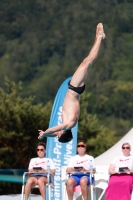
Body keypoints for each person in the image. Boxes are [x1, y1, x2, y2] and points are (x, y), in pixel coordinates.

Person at [38, 23, 106, 143]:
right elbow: (54, 129)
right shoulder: (69, 124)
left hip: (75, 90)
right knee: (87, 62)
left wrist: (47, 135)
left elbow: (54, 133)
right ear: (63, 133)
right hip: (74, 89)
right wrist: (44, 134)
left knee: (88, 62)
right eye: (59, 135)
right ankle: (99, 37)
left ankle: (99, 37)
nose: (57, 134)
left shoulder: (67, 125)